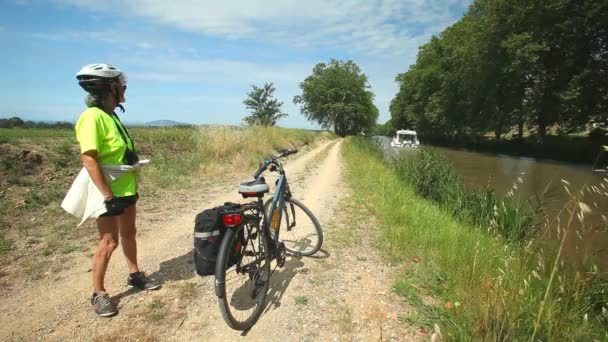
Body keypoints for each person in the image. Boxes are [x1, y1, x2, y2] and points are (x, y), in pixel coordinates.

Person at [74, 63, 160, 317]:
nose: (124, 88)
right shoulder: (91, 117)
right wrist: (107, 197)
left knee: (129, 234)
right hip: (108, 190)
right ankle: (98, 293)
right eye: (120, 85)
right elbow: (89, 159)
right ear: (108, 88)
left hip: (125, 185)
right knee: (109, 242)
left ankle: (134, 274)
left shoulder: (111, 115)